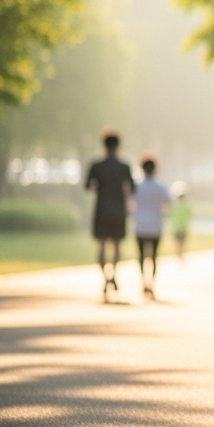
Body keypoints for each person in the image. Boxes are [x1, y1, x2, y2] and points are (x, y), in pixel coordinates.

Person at [85, 129, 134, 302]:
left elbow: (88, 186)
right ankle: (114, 274)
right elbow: (132, 188)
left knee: (101, 246)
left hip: (102, 209)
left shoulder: (97, 165)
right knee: (116, 246)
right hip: (118, 210)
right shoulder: (124, 166)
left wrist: (101, 187)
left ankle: (105, 278)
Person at [133, 155, 172, 300]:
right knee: (154, 256)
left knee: (142, 256)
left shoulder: (137, 185)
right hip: (155, 225)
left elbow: (129, 200)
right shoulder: (160, 185)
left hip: (140, 225)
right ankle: (152, 283)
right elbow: (168, 202)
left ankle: (144, 281)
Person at [169, 181, 192, 260]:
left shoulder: (175, 205)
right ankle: (181, 252)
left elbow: (170, 214)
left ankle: (179, 252)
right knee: (182, 241)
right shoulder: (186, 205)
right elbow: (190, 214)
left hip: (177, 225)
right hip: (183, 226)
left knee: (178, 240)